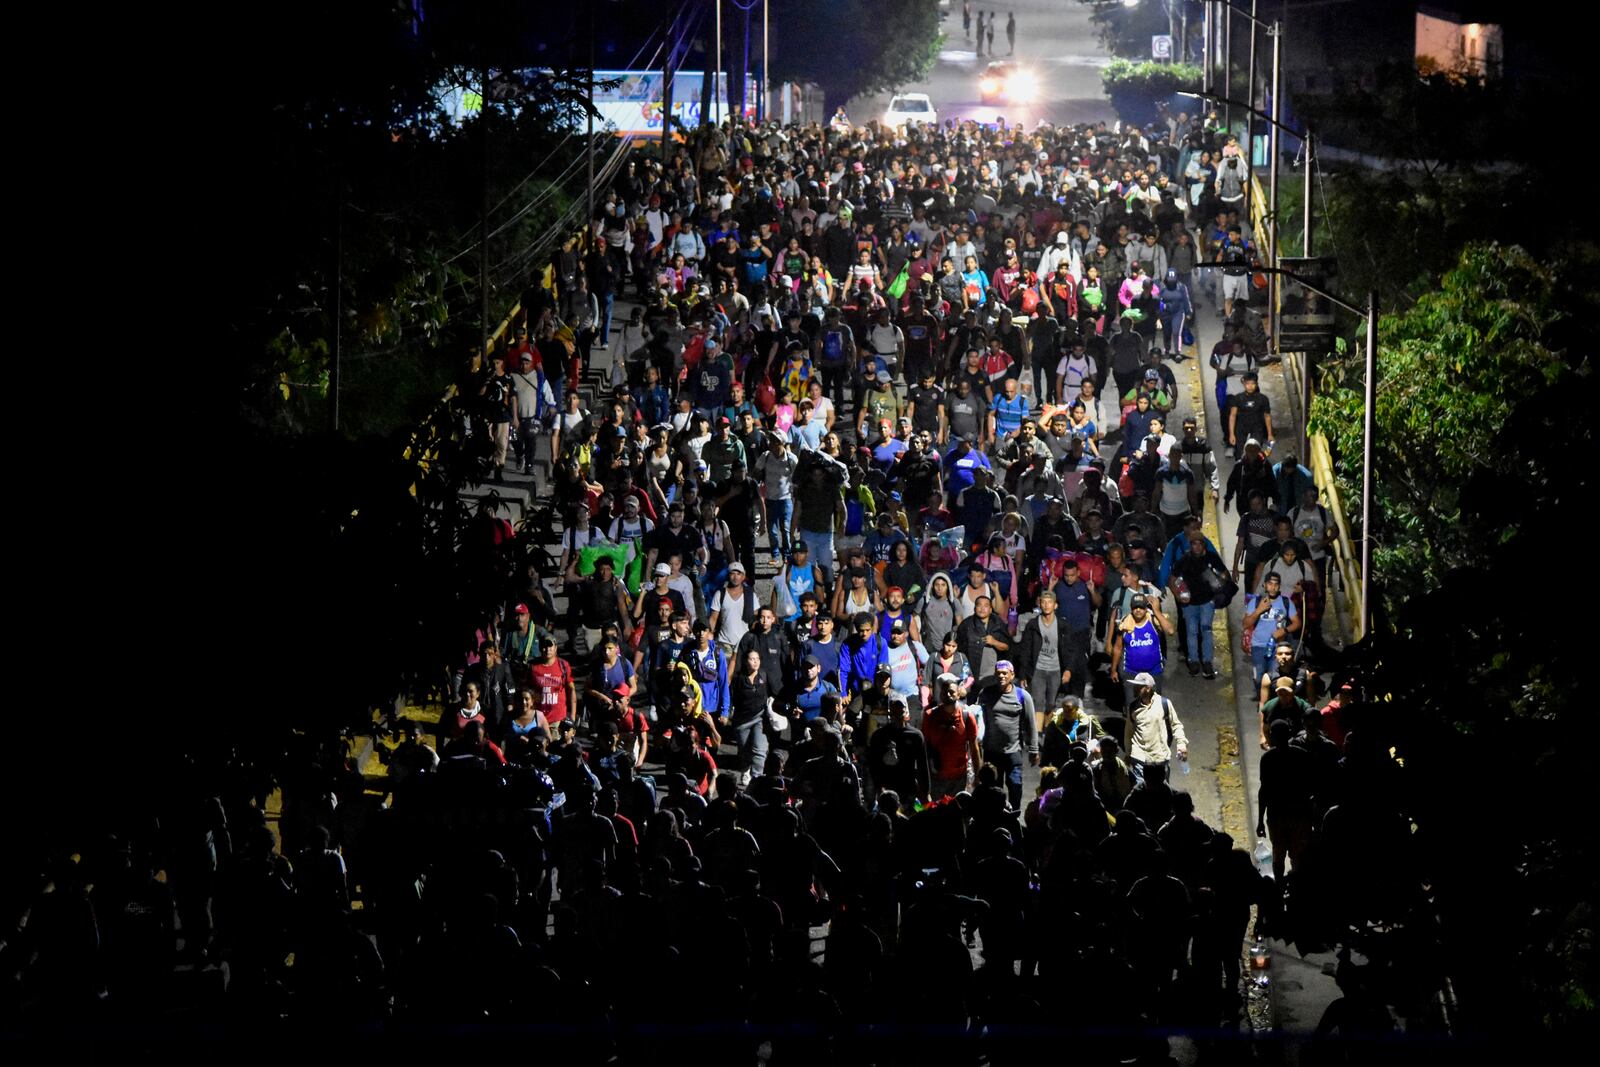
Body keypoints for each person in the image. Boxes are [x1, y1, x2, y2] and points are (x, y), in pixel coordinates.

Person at [980, 660, 1038, 810]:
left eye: (1005, 673)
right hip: (992, 752)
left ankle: (1014, 818)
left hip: (1013, 751)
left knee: (1015, 787)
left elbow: (1032, 724)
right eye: (998, 673)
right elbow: (978, 719)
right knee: (993, 790)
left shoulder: (1022, 696)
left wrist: (1034, 749)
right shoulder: (986, 693)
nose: (1001, 676)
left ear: (1012, 675)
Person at [725, 649, 780, 787]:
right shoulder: (738, 678)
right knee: (744, 750)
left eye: (757, 658)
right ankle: (745, 770)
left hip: (760, 718)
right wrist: (727, 712)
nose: (755, 661)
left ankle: (757, 780)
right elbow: (731, 697)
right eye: (751, 659)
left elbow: (775, 693)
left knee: (759, 750)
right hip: (741, 720)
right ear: (745, 661)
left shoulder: (764, 675)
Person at [923, 673, 982, 798]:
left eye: (951, 692)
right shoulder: (930, 716)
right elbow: (925, 747)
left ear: (958, 694)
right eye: (944, 692)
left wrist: (977, 775)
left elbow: (974, 748)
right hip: (937, 777)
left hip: (959, 777)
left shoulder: (967, 716)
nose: (948, 695)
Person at [1111, 593, 1175, 707]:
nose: (1138, 610)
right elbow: (1117, 647)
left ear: (1146, 608)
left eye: (1141, 607)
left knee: (1154, 707)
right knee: (1132, 708)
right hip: (1131, 673)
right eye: (1136, 607)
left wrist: (1156, 611)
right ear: (1131, 608)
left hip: (1154, 672)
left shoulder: (1154, 621)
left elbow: (1170, 631)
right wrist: (1113, 669)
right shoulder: (1125, 624)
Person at [1123, 673, 1188, 783]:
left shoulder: (1164, 704)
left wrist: (1181, 744)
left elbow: (1176, 725)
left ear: (1148, 688)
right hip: (1139, 757)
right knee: (1142, 793)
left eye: (1138, 687)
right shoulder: (1133, 707)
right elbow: (1129, 732)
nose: (1135, 689)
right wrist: (1128, 754)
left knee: (1161, 793)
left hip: (1160, 758)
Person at [867, 697, 931, 805]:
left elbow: (923, 765)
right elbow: (874, 765)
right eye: (894, 711)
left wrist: (926, 792)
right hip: (887, 789)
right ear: (889, 712)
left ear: (906, 711)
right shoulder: (879, 736)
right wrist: (878, 788)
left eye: (900, 709)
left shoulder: (916, 736)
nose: (897, 714)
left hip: (909, 788)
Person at [1243, 572, 1300, 682]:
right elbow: (1245, 624)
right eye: (1270, 584)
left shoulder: (1286, 602)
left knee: (1276, 679)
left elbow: (1297, 623)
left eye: (1276, 584)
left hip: (1278, 647)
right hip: (1258, 646)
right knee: (1258, 679)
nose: (1273, 587)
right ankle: (1262, 698)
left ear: (1279, 586)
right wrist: (1259, 610)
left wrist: (1284, 630)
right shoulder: (1255, 602)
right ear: (1264, 585)